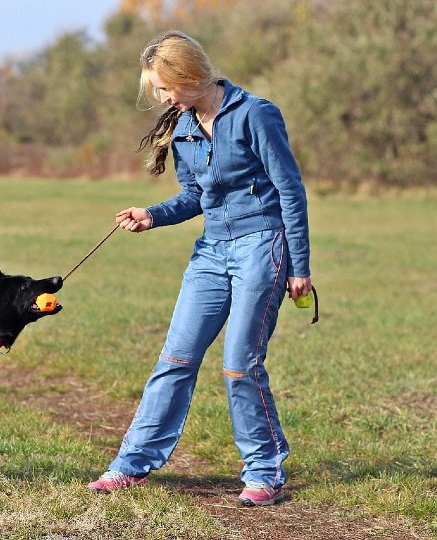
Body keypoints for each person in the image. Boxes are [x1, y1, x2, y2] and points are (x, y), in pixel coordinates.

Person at [86, 30, 312, 507]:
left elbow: (290, 190)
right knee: (175, 358)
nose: (163, 99)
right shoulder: (183, 127)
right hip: (212, 251)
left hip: (261, 246)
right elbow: (195, 197)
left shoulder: (256, 115)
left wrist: (300, 266)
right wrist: (153, 214)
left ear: (188, 75)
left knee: (239, 365)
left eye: (166, 89)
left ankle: (264, 470)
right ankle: (130, 464)